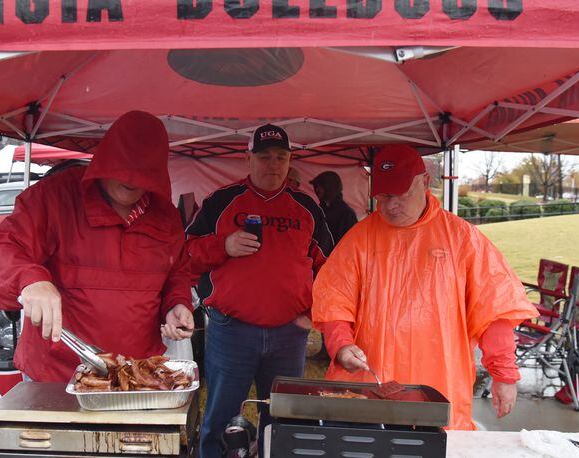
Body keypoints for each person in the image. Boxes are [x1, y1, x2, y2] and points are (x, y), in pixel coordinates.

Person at [312, 144, 537, 430]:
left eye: (400, 195)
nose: (390, 206)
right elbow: (334, 301)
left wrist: (504, 374)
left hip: (439, 383)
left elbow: (495, 310)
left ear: (425, 182)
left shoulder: (462, 238)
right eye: (383, 196)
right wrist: (341, 346)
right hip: (371, 383)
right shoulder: (359, 239)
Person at [0, 111, 194, 382]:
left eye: (143, 174)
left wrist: (176, 303)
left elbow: (177, 272)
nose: (132, 180)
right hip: (56, 374)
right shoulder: (56, 197)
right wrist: (30, 280)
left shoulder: (166, 215)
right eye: (123, 169)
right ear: (106, 161)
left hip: (135, 375)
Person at [186, 124, 333, 457]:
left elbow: (329, 271)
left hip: (288, 334)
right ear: (248, 158)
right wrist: (223, 245)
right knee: (222, 418)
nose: (273, 164)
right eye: (264, 156)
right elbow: (185, 256)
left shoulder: (306, 208)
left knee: (284, 417)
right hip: (231, 331)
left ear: (290, 159)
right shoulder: (221, 202)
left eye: (281, 157)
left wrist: (313, 314)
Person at [310, 171, 358, 246]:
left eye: (321, 186)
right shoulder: (318, 210)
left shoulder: (347, 214)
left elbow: (352, 245)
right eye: (316, 186)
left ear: (330, 187)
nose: (317, 189)